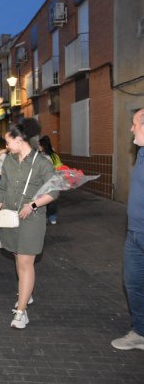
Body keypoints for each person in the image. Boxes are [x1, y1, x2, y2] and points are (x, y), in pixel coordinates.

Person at [0, 121, 57, 329]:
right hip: (11, 217)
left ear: (20, 140)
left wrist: (33, 204)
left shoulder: (42, 163)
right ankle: (27, 294)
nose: (6, 146)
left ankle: (21, 312)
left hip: (32, 220)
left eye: (8, 142)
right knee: (19, 260)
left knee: (26, 263)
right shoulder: (9, 160)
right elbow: (3, 189)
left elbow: (54, 192)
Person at [112, 107, 144, 351]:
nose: (131, 128)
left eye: (135, 124)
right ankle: (140, 332)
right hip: (133, 233)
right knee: (133, 284)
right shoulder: (141, 153)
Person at [38, 136, 61, 225]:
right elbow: (59, 168)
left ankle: (46, 218)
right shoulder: (54, 156)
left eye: (39, 145)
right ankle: (52, 218)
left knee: (43, 199)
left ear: (43, 146)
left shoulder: (40, 156)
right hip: (53, 181)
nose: (38, 146)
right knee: (52, 199)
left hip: (44, 181)